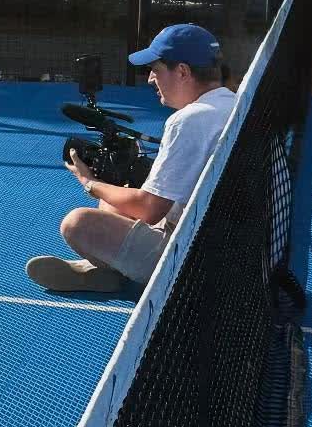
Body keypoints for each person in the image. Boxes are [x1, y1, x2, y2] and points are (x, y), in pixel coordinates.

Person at [26, 24, 237, 294]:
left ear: (182, 71)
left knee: (77, 224)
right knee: (113, 200)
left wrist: (89, 182)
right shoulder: (235, 104)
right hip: (230, 242)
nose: (150, 79)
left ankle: (107, 269)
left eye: (156, 69)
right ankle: (106, 270)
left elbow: (150, 209)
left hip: (195, 258)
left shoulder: (189, 120)